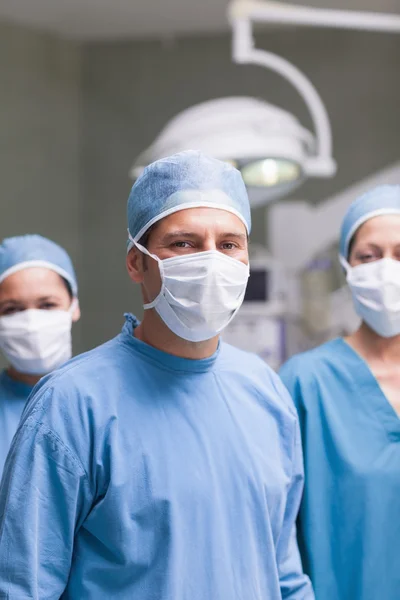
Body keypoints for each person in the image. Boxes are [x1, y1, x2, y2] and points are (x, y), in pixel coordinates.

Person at [0, 150, 313, 600]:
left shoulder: (266, 393)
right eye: (183, 243)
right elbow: (24, 588)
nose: (211, 262)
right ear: (136, 262)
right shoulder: (71, 405)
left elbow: (283, 574)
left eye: (228, 244)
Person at [280, 184, 400, 600]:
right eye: (369, 256)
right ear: (347, 266)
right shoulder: (306, 383)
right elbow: (274, 536)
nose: (387, 269)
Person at [0, 234, 79, 479]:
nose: (31, 323)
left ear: (73, 306)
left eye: (47, 305)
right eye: (12, 309)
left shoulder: (103, 402)